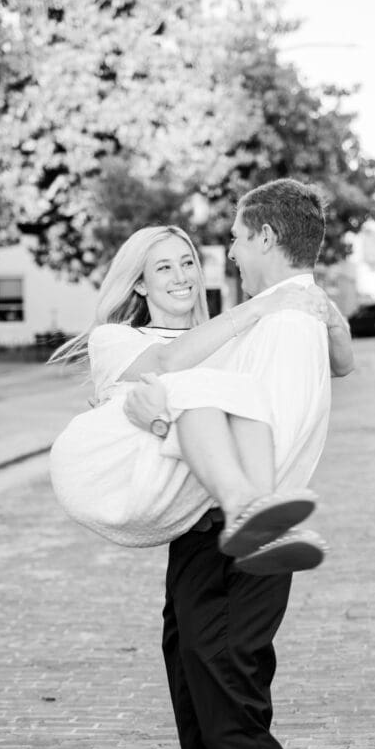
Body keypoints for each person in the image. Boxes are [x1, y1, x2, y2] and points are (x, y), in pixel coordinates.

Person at [123, 179, 353, 749]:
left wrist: (170, 415)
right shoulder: (285, 316)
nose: (225, 250)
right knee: (197, 704)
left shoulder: (289, 323)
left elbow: (272, 434)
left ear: (261, 235)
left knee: (231, 721)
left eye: (231, 236)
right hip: (206, 536)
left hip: (244, 535)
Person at [49, 225, 349, 571]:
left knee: (244, 392)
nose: (181, 276)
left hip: (179, 488)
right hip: (107, 472)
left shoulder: (225, 337)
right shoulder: (113, 338)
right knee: (200, 385)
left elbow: (340, 365)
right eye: (164, 268)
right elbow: (167, 361)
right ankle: (245, 509)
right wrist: (260, 306)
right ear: (140, 284)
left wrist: (328, 316)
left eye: (188, 263)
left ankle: (259, 518)